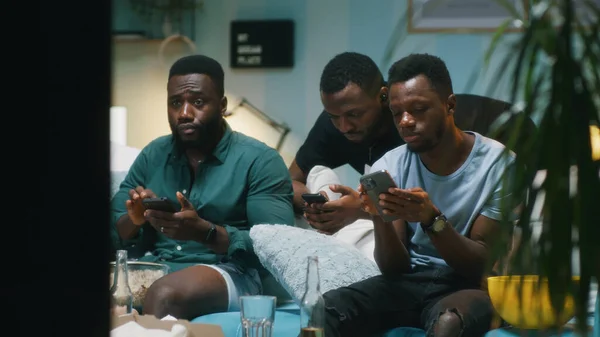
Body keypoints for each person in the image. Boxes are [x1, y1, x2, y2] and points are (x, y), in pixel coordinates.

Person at [321, 53, 519, 337]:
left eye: (418, 109)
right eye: (396, 112)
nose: (405, 121)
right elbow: (394, 268)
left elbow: (480, 265)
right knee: (327, 307)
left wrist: (431, 218)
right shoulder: (389, 166)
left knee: (448, 324)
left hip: (469, 287)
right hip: (409, 282)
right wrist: (380, 217)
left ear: (449, 105)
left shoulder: (499, 165)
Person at [109, 54, 295, 320]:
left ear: (222, 105)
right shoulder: (153, 155)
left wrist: (204, 232)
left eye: (198, 102)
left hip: (229, 270)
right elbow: (117, 230)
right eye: (175, 103)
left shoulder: (258, 159)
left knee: (163, 295)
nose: (184, 114)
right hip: (156, 263)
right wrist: (135, 219)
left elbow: (279, 248)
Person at [289, 52, 405, 237]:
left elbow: (430, 199)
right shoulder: (333, 124)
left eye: (354, 114)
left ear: (383, 96)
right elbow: (290, 181)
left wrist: (362, 208)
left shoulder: (409, 124)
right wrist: (317, 207)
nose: (344, 127)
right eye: (334, 116)